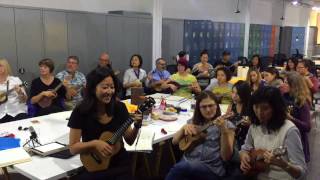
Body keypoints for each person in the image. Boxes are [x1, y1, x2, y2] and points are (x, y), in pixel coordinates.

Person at [68, 67, 142, 179]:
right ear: (93, 88)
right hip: (95, 166)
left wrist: (137, 125)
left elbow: (130, 140)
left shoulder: (120, 107)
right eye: (105, 87)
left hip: (120, 164)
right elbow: (73, 148)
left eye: (112, 87)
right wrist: (95, 144)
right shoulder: (80, 111)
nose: (109, 91)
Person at [240, 86, 307, 180]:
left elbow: (302, 173)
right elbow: (245, 148)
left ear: (276, 108)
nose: (259, 113)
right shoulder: (254, 126)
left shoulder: (289, 130)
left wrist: (284, 165)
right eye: (256, 107)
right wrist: (244, 156)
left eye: (265, 108)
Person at [166, 91, 235, 180]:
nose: (208, 110)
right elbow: (174, 142)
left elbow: (226, 157)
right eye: (204, 107)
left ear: (217, 106)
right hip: (188, 163)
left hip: (211, 168)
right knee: (182, 168)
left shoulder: (227, 125)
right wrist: (183, 128)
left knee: (180, 168)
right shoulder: (193, 122)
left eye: (211, 105)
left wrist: (224, 131)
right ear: (198, 108)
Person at [282, 72, 311, 163]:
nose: (283, 84)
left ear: (294, 85)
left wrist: (291, 119)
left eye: (286, 83)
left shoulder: (302, 102)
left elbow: (307, 126)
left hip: (297, 141)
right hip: (284, 139)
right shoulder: (283, 97)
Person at [0, 59, 28, 123]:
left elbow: (24, 100)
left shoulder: (15, 80)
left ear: (6, 67)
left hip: (17, 112)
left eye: (0, 66)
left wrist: (20, 93)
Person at [227, 80, 251, 150]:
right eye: (233, 92)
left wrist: (250, 124)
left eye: (237, 94)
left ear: (244, 94)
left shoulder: (250, 106)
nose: (234, 96)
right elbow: (226, 120)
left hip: (246, 140)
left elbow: (258, 126)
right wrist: (228, 117)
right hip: (234, 138)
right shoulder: (232, 105)